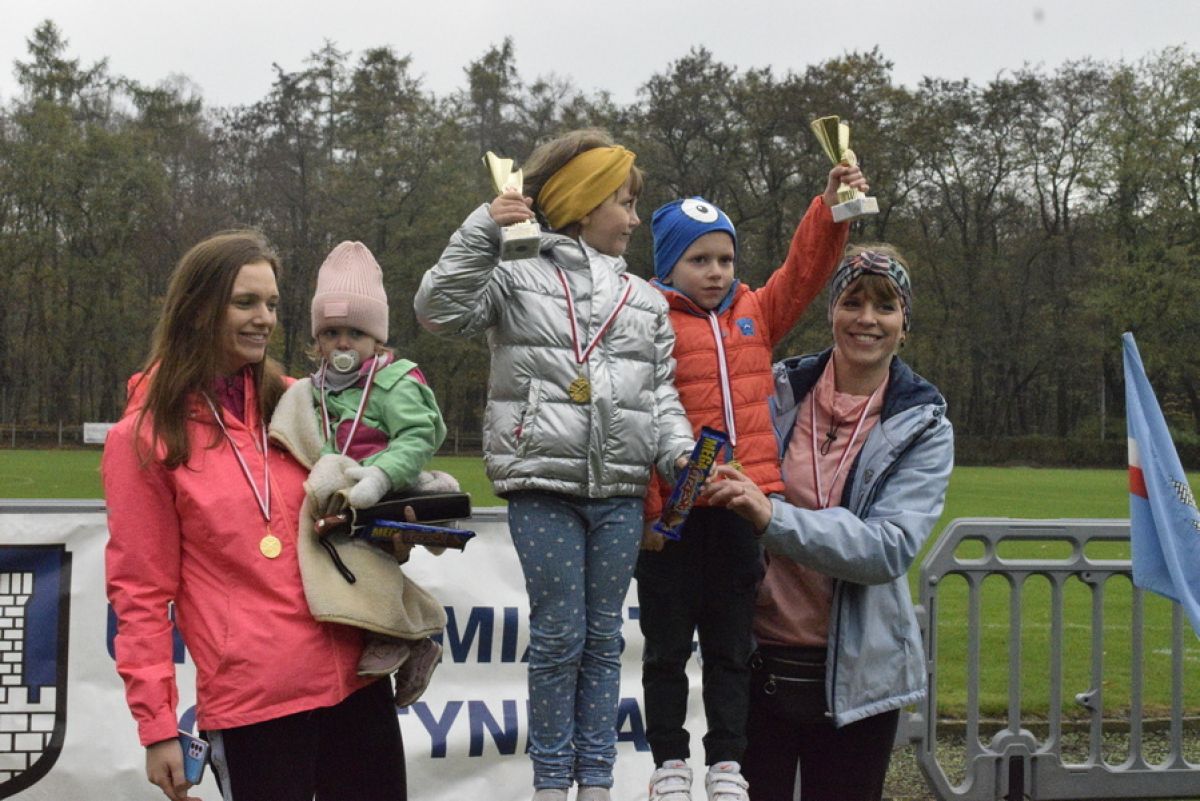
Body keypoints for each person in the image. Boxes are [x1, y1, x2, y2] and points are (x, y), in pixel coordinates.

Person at [414, 129, 695, 801]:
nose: (634, 219)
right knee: (558, 634)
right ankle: (549, 782)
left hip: (620, 490)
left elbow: (660, 394)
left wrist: (681, 452)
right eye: (624, 203)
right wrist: (485, 225)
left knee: (603, 638)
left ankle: (595, 780)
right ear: (583, 203)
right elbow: (436, 308)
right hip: (543, 483)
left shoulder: (645, 299)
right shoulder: (515, 274)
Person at [103, 230, 407, 801]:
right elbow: (139, 594)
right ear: (197, 309)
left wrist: (391, 532)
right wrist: (157, 726)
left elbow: (350, 508)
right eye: (245, 302)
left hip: (355, 682)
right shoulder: (144, 438)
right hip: (256, 702)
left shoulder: (299, 404)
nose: (264, 318)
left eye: (271, 303)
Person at [637, 165, 867, 801]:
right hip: (671, 515)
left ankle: (726, 763)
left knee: (731, 648)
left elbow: (805, 271)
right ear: (667, 265)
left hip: (744, 506)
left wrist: (831, 208)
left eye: (725, 259)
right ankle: (669, 762)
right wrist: (651, 508)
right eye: (699, 260)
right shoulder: (645, 318)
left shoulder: (754, 313)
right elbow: (634, 414)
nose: (716, 273)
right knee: (664, 649)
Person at [702, 246, 953, 801]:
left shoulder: (925, 424)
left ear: (904, 324)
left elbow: (887, 549)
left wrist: (772, 517)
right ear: (832, 311)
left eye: (885, 306)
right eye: (852, 301)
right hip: (753, 663)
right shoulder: (775, 390)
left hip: (859, 678)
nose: (867, 319)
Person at [298, 240, 448, 701]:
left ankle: (398, 635)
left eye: (356, 333)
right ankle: (413, 643)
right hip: (343, 494)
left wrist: (381, 476)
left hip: (390, 489)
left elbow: (419, 437)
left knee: (367, 557)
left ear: (377, 339)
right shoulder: (313, 389)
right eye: (331, 333)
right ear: (318, 340)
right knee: (335, 564)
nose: (343, 344)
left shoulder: (396, 381)